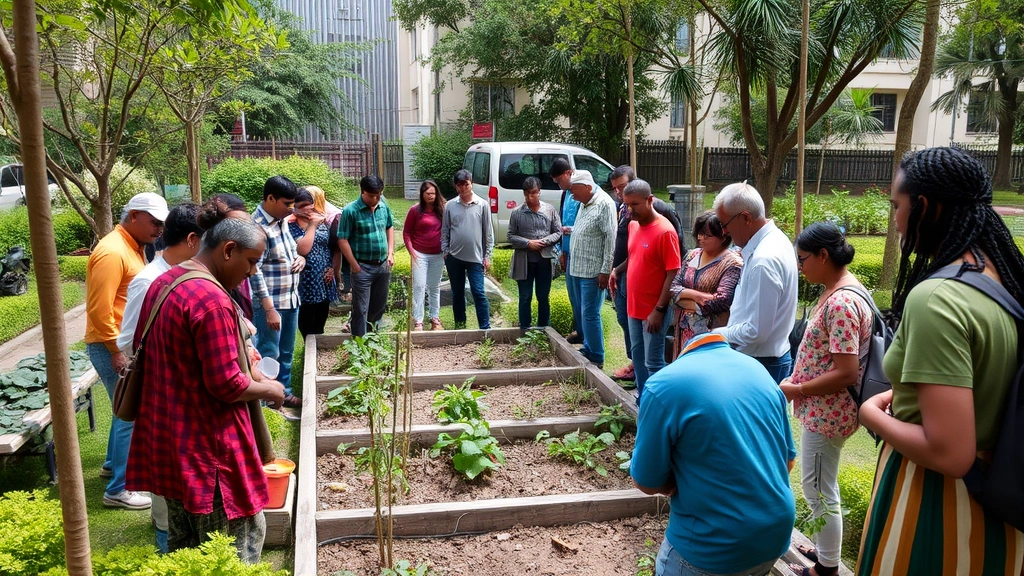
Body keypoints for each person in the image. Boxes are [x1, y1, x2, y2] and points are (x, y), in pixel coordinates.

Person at [857, 147, 1024, 574]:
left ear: (924, 207)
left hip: (937, 507)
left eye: (897, 206)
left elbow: (950, 453)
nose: (895, 220)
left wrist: (870, 413)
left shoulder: (936, 299)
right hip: (997, 511)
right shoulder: (1000, 278)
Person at [125, 217, 285, 563]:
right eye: (252, 261)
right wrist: (269, 388)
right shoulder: (211, 300)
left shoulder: (166, 282)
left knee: (186, 553)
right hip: (210, 453)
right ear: (228, 250)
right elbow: (226, 384)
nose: (253, 272)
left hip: (170, 442)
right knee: (233, 549)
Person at [631, 332, 796, 576]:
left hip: (711, 545)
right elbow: (788, 462)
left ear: (681, 351)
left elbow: (645, 482)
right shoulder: (759, 370)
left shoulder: (663, 384)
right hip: (776, 534)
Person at [776, 222, 871, 576]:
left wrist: (797, 389)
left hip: (830, 412)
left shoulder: (843, 301)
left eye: (802, 259)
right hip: (824, 408)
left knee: (817, 488)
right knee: (818, 484)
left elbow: (847, 373)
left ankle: (826, 569)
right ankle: (825, 551)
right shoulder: (837, 289)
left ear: (823, 255)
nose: (800, 266)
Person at [117, 202, 203, 551]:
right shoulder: (149, 281)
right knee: (166, 503)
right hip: (162, 396)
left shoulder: (189, 274)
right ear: (193, 240)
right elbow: (127, 340)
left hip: (184, 399)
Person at [85, 191, 167, 510]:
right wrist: (116, 351)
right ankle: (119, 488)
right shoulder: (111, 251)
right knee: (129, 414)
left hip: (119, 345)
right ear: (133, 216)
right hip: (112, 347)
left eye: (162, 223)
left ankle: (111, 466)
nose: (159, 229)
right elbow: (98, 309)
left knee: (123, 409)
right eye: (154, 222)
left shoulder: (133, 246)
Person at [711, 182, 798, 383]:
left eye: (724, 224)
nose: (723, 232)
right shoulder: (774, 240)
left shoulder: (764, 260)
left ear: (746, 218)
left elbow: (756, 331)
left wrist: (715, 334)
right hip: (763, 361)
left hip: (761, 364)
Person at [607, 165, 684, 382]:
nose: (630, 210)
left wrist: (659, 310)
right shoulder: (633, 226)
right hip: (634, 306)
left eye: (635, 204)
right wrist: (617, 270)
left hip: (653, 309)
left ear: (650, 200)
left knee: (653, 362)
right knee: (638, 358)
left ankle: (656, 409)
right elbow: (634, 256)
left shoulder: (665, 231)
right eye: (627, 204)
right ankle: (642, 401)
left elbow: (673, 273)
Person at [251, 176, 304, 408]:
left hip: (290, 297)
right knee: (268, 352)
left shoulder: (281, 220)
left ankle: (284, 392)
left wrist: (300, 258)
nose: (291, 209)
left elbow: (289, 251)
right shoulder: (257, 227)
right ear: (270, 198)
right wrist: (269, 308)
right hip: (271, 304)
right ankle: (267, 401)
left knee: (287, 352)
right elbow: (254, 271)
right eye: (287, 203)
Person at [669, 211, 743, 359]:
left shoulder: (732, 263)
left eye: (707, 235)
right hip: (684, 330)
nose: (700, 238)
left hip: (710, 335)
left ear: (723, 236)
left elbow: (721, 301)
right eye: (699, 234)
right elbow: (672, 289)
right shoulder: (693, 255)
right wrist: (697, 295)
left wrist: (682, 298)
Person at [566, 169, 616, 368]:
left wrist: (605, 270)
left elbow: (610, 239)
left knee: (590, 312)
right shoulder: (584, 203)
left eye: (574, 190)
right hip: (578, 268)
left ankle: (596, 355)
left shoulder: (604, 204)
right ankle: (588, 347)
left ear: (587, 187)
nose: (572, 194)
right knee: (583, 311)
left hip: (593, 272)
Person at [337, 175, 395, 337]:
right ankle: (360, 344)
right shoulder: (350, 211)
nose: (376, 199)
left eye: (379, 195)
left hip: (383, 265)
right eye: (372, 195)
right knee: (360, 309)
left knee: (379, 306)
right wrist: (354, 266)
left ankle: (373, 338)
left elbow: (389, 227)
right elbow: (342, 239)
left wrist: (390, 253)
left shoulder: (383, 206)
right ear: (363, 191)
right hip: (362, 267)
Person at [442, 169, 494, 329]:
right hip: (454, 258)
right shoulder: (450, 206)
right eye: (460, 185)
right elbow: (445, 230)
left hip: (476, 258)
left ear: (471, 183)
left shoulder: (482, 205)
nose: (463, 188)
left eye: (466, 184)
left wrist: (488, 255)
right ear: (456, 186)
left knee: (478, 292)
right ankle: (460, 326)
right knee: (457, 294)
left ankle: (485, 327)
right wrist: (445, 250)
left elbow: (488, 232)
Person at [508, 176, 562, 329]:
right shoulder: (517, 212)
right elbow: (510, 236)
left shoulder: (549, 210)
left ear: (540, 192)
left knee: (543, 296)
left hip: (544, 259)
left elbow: (558, 232)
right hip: (524, 261)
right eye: (527, 193)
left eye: (533, 193)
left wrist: (544, 241)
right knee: (525, 297)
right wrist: (528, 243)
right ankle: (524, 329)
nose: (530, 197)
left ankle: (544, 328)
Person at [288, 188, 337, 339]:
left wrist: (332, 269)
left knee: (322, 316)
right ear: (294, 208)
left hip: (324, 278)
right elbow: (303, 249)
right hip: (307, 281)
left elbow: (330, 247)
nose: (307, 208)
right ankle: (308, 348)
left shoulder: (322, 222)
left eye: (309, 204)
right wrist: (312, 226)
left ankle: (318, 345)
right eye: (302, 206)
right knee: (307, 318)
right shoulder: (291, 226)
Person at [403, 179, 446, 330]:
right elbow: (407, 233)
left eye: (433, 193)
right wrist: (412, 252)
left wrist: (446, 250)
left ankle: (435, 318)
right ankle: (418, 320)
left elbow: (449, 230)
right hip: (419, 254)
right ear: (422, 194)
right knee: (419, 286)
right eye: (428, 193)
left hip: (438, 255)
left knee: (434, 287)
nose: (431, 196)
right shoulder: (415, 210)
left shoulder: (443, 209)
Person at [551, 158, 583, 343]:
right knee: (573, 295)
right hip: (568, 251)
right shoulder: (565, 194)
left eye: (558, 181)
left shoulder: (581, 191)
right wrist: (562, 251)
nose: (558, 185)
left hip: (581, 252)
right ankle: (579, 331)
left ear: (567, 173)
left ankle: (586, 335)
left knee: (583, 297)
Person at [308, 185, 347, 303]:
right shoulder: (312, 211)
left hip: (329, 259)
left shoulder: (333, 216)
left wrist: (336, 275)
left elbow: (336, 249)